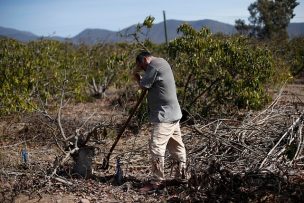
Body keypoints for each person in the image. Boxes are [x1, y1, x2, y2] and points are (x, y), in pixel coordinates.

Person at [133, 51, 187, 191]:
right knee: (177, 147)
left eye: (142, 66)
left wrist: (137, 76)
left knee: (156, 146)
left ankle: (157, 182)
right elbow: (149, 84)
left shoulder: (154, 65)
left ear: (145, 59)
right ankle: (182, 177)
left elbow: (144, 86)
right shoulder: (161, 62)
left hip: (165, 115)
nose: (143, 69)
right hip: (173, 113)